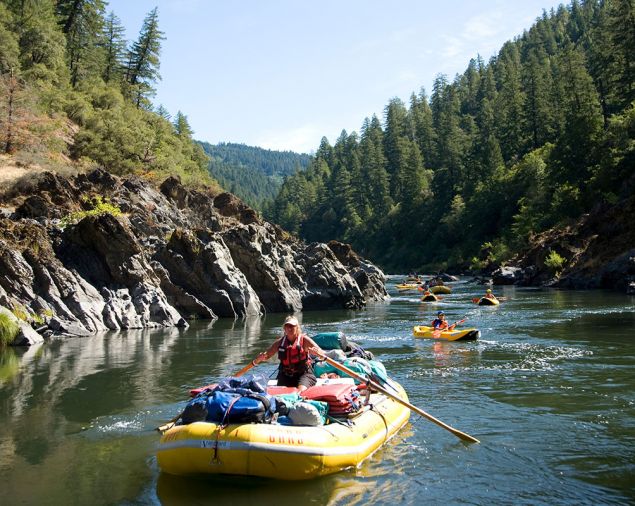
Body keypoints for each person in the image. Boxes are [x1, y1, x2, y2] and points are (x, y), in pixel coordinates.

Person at [253, 316, 325, 392]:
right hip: (286, 375)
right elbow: (266, 355)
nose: (289, 328)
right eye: (287, 326)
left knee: (300, 393)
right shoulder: (280, 342)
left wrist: (318, 353)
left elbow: (322, 353)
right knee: (280, 395)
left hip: (304, 374)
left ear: (297, 327)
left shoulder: (304, 340)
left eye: (292, 326)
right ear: (284, 328)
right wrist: (260, 357)